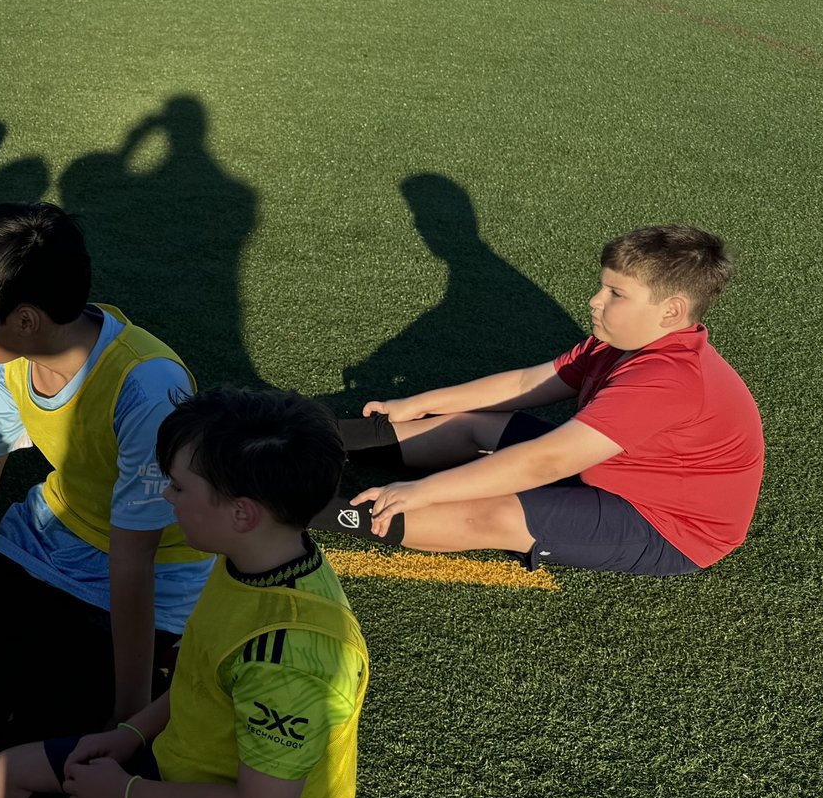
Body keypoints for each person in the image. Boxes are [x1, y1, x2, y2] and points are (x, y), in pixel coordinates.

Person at [0, 388, 366, 798]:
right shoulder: (248, 556)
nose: (168, 497)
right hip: (182, 765)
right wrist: (130, 734)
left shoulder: (291, 658)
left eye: (181, 488)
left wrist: (129, 795)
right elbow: (199, 672)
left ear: (241, 511)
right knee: (8, 777)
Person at [0, 204, 210, 791]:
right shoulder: (6, 364)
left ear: (24, 320)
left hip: (154, 579)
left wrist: (127, 718)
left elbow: (134, 559)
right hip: (45, 539)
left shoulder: (148, 388)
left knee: (37, 740)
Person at [320, 225, 763, 575]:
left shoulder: (669, 379)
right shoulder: (618, 342)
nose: (594, 301)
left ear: (671, 311)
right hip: (607, 474)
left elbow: (545, 462)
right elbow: (527, 384)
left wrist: (424, 490)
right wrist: (418, 403)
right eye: (602, 286)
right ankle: (313, 437)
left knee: (492, 514)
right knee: (476, 424)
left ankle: (305, 508)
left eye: (616, 294)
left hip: (667, 526)